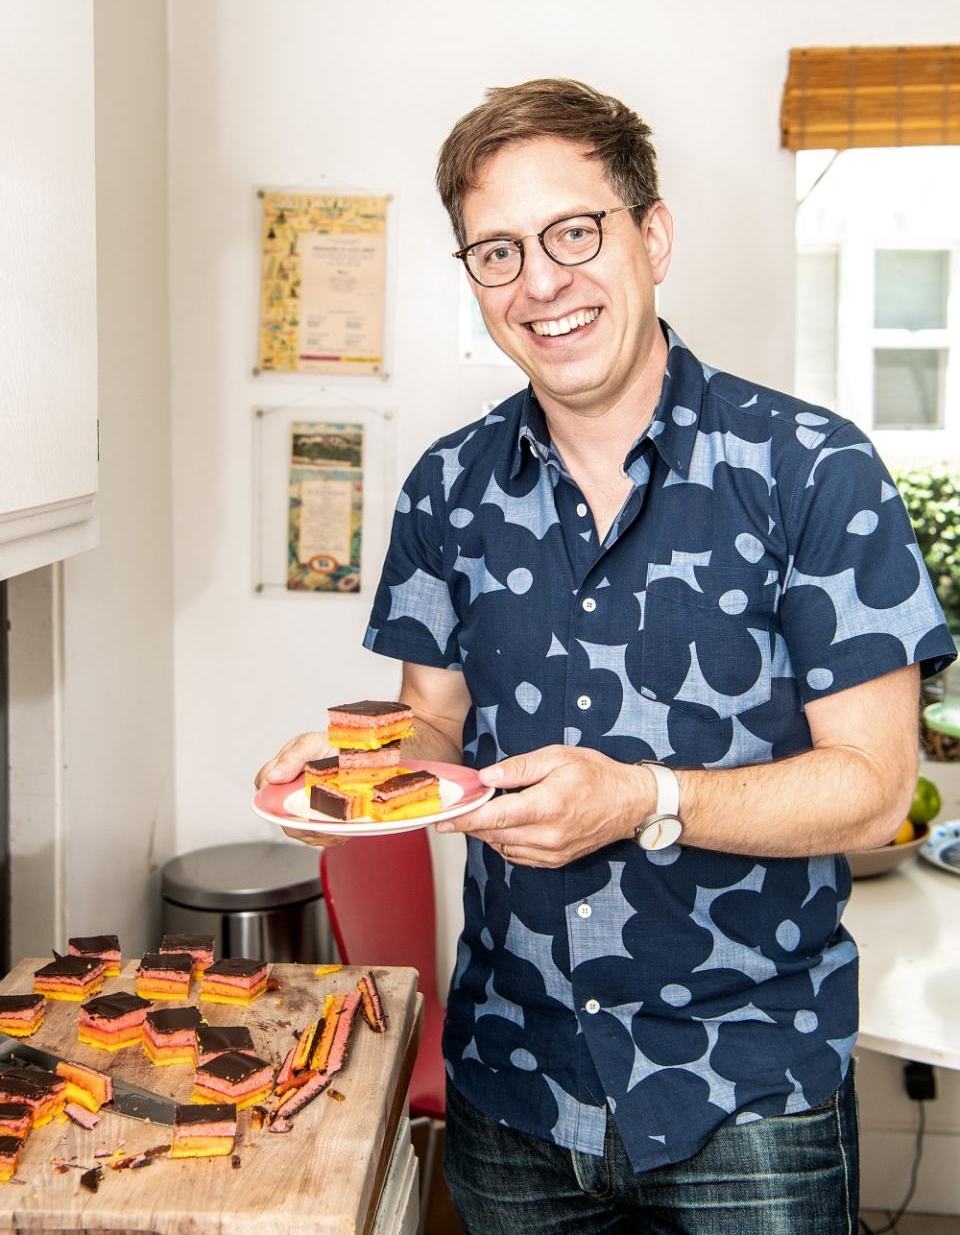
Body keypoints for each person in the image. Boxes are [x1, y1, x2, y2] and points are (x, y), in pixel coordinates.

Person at [257, 79, 956, 1234]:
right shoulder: (447, 487)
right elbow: (427, 725)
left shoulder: (815, 471)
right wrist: (348, 781)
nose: (540, 281)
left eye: (573, 232)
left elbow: (874, 792)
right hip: (512, 1079)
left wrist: (642, 800)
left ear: (653, 235)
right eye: (496, 251)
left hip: (750, 1093)